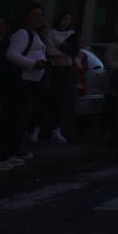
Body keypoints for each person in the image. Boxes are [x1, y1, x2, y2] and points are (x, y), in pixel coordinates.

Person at [0, 3, 48, 171]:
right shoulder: (22, 33)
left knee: (19, 118)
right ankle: (0, 157)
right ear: (26, 17)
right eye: (36, 14)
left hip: (29, 81)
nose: (39, 18)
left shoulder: (34, 34)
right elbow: (12, 54)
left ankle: (12, 153)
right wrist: (33, 64)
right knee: (10, 118)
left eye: (41, 15)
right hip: (18, 81)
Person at [40, 12, 78, 144]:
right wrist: (66, 51)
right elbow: (50, 51)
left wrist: (60, 47)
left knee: (61, 100)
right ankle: (41, 128)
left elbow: (74, 51)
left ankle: (56, 128)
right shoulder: (51, 33)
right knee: (49, 98)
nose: (66, 21)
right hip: (53, 69)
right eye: (64, 18)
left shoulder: (72, 34)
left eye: (68, 19)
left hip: (66, 70)